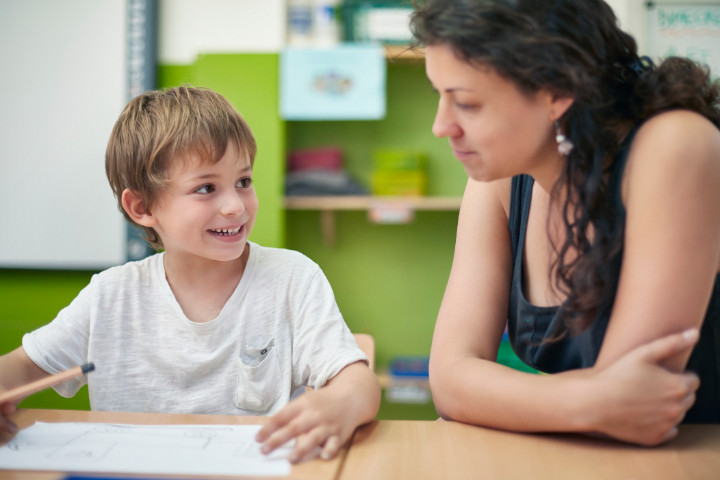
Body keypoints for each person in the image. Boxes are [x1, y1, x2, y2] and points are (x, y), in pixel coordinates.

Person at [0, 86, 380, 462]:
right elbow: (21, 367)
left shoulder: (292, 278)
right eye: (206, 188)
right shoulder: (111, 295)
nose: (235, 206)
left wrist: (339, 403)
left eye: (243, 182)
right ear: (142, 206)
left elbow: (358, 383)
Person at [410, 0, 720, 446]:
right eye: (439, 95)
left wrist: (499, 397)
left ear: (556, 91)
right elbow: (449, 379)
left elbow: (640, 404)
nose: (441, 126)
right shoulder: (497, 178)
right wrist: (590, 402)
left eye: (467, 103)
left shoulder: (675, 147)